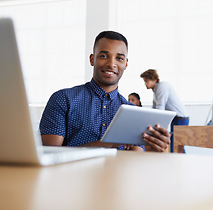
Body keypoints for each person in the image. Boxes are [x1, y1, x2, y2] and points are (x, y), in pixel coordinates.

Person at [39, 31, 171, 152]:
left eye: (119, 58)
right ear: (92, 59)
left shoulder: (132, 111)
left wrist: (154, 149)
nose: (111, 64)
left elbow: (136, 161)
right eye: (103, 56)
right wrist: (107, 143)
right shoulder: (63, 99)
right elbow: (50, 154)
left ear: (126, 64)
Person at [140, 69, 189, 152]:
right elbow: (155, 109)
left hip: (180, 118)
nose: (145, 83)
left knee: (177, 147)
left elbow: (160, 108)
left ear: (154, 80)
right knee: (173, 147)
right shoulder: (155, 90)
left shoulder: (162, 87)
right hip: (175, 118)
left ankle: (180, 164)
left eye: (146, 81)